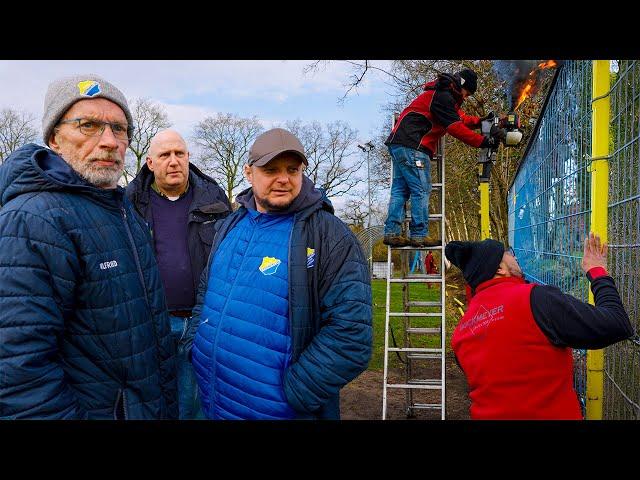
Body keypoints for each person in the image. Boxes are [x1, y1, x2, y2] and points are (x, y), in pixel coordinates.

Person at [0, 74, 177, 419]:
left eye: (120, 129)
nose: (110, 141)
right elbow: (19, 369)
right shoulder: (33, 220)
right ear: (54, 138)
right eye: (88, 125)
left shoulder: (121, 209)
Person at [184, 128, 373, 420]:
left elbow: (352, 335)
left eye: (292, 169)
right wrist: (195, 345)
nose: (283, 179)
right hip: (215, 401)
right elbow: (206, 292)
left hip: (279, 411)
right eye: (271, 169)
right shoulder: (230, 225)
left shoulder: (329, 235)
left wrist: (296, 394)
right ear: (249, 173)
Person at [445, 234, 634, 420]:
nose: (514, 255)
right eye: (507, 253)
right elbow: (617, 323)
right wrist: (597, 271)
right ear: (500, 268)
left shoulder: (460, 333)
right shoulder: (535, 299)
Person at [126, 129, 231, 419]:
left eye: (179, 153)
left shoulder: (215, 198)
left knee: (193, 401)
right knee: (151, 398)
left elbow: (230, 256)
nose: (174, 161)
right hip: (151, 321)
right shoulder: (129, 202)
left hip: (202, 320)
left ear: (188, 157)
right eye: (165, 155)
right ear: (150, 162)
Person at [383, 68, 506, 248]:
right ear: (461, 85)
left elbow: (460, 118)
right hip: (413, 145)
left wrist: (480, 122)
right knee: (422, 189)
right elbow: (455, 127)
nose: (466, 97)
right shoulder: (443, 97)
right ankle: (419, 234)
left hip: (400, 144)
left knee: (400, 190)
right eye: (468, 93)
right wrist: (483, 142)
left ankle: (392, 232)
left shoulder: (443, 94)